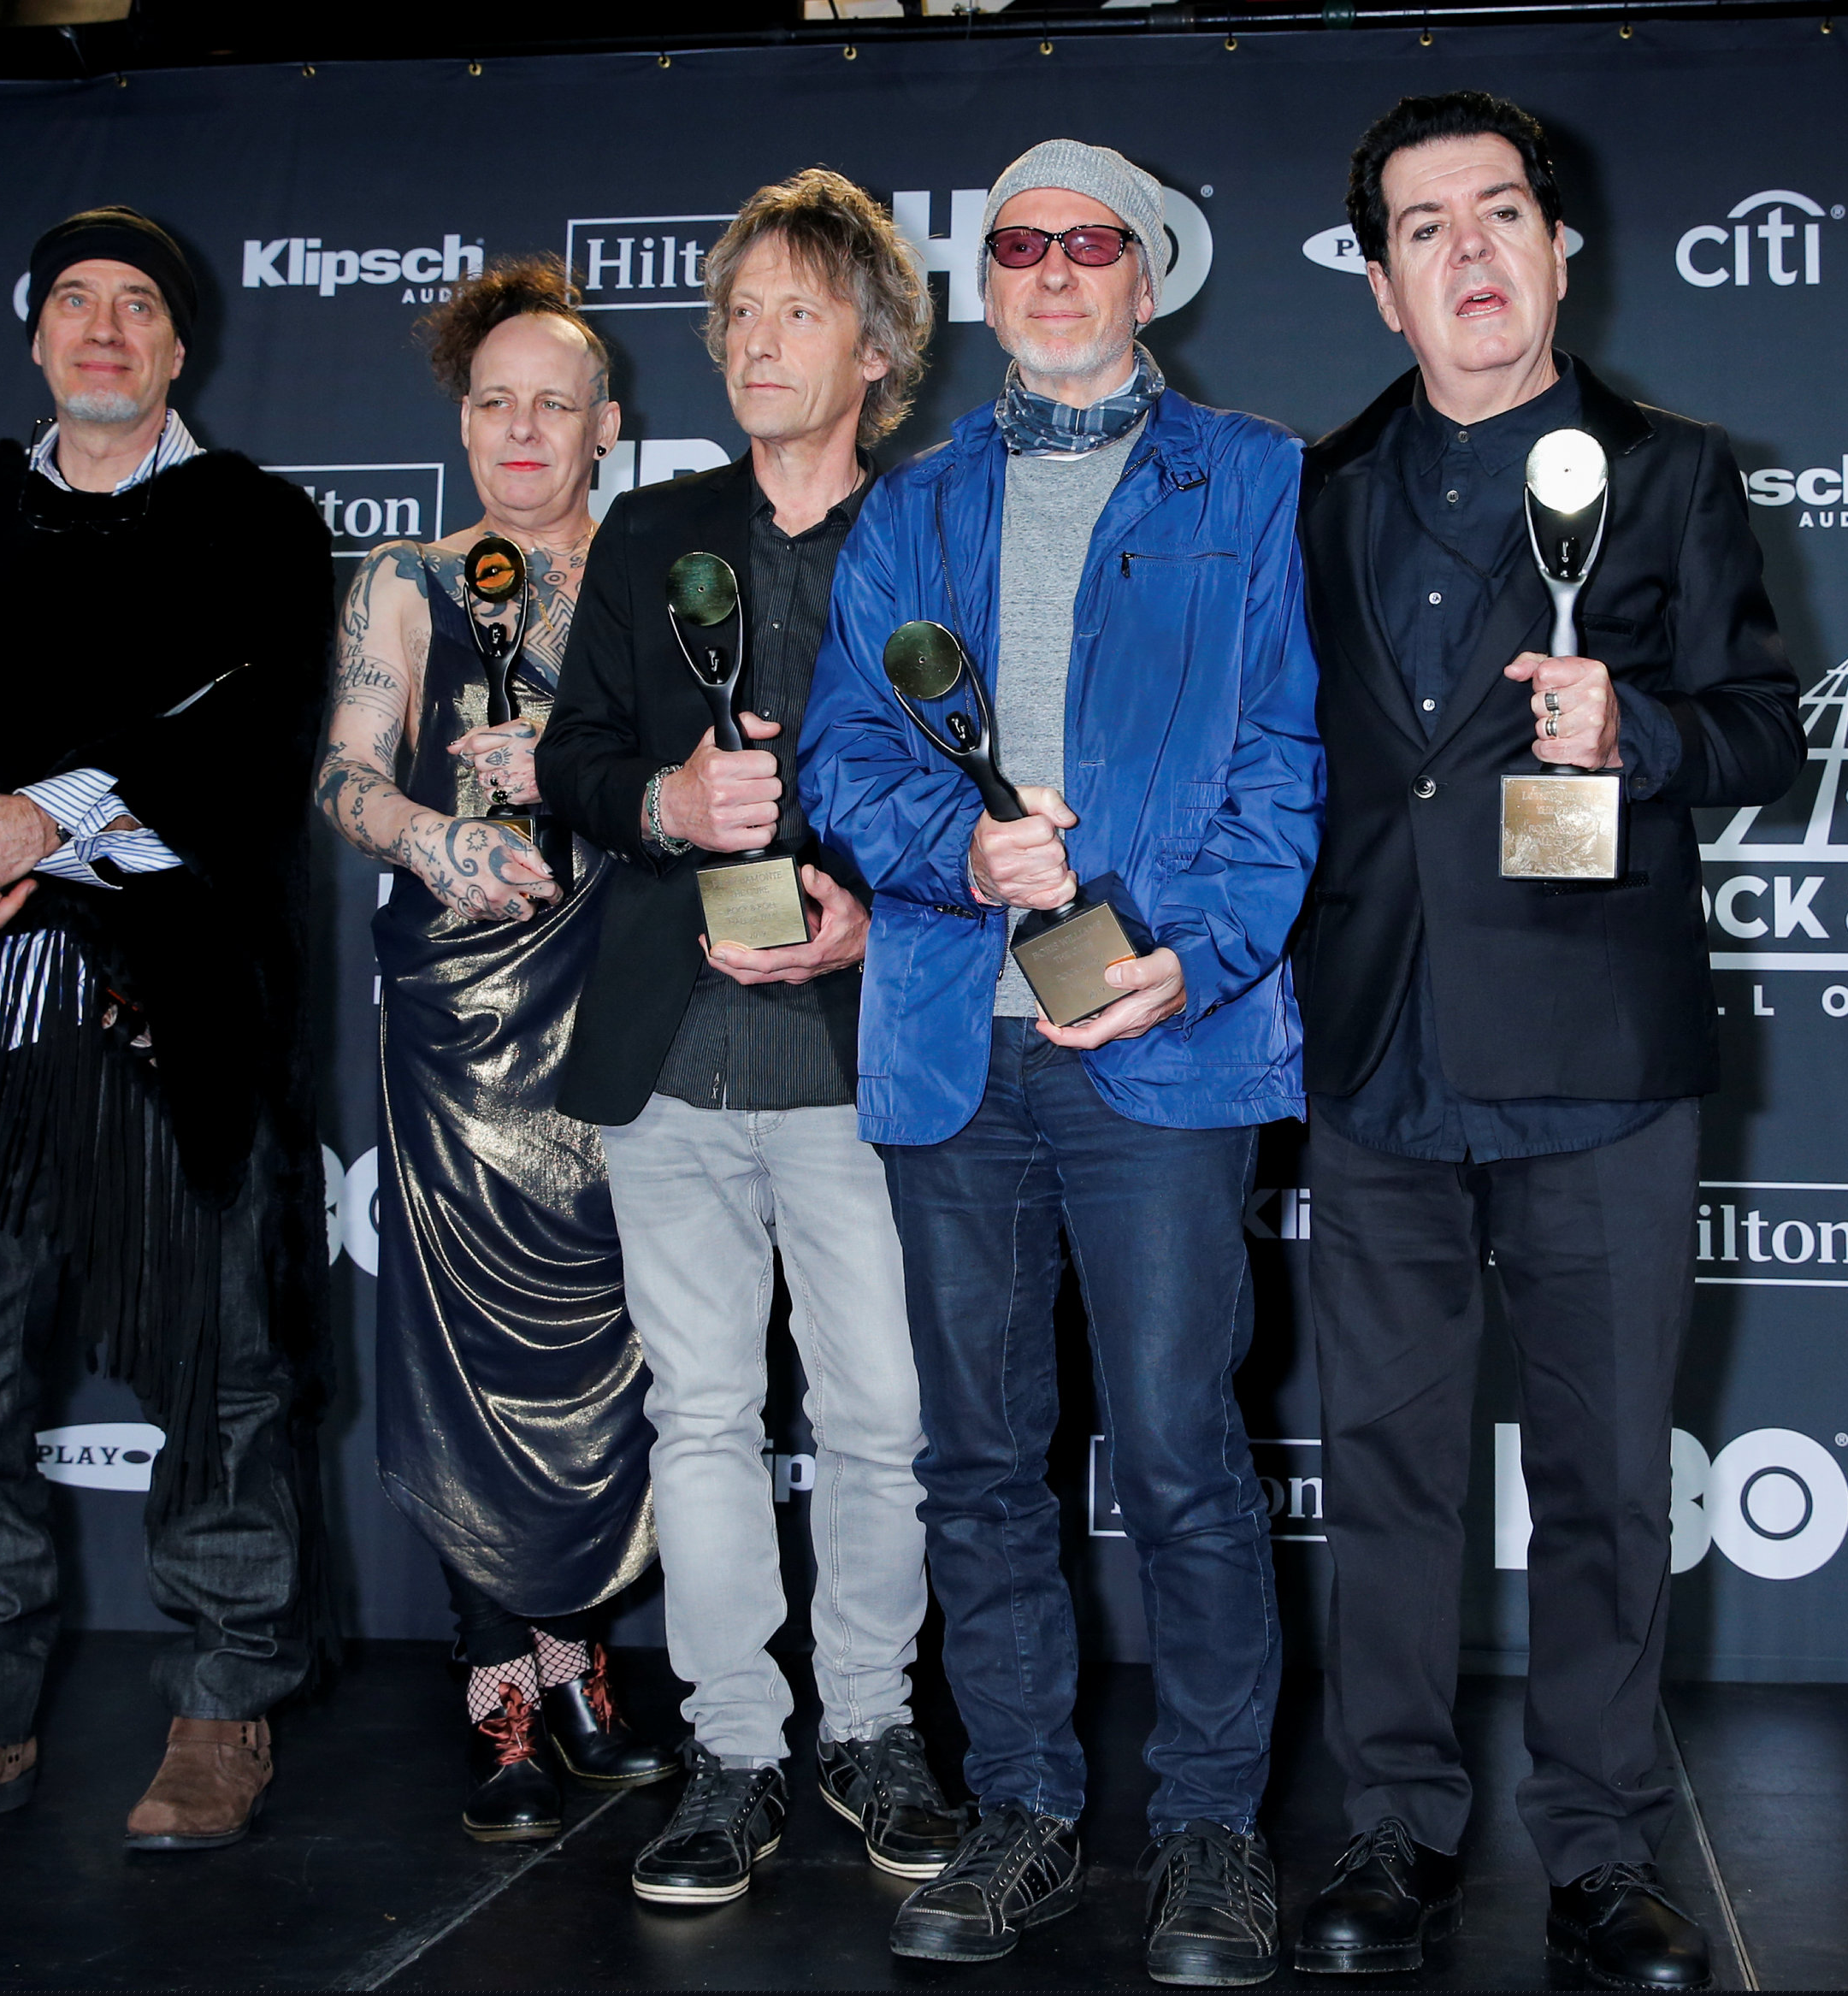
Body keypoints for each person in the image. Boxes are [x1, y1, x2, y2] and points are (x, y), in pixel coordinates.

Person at [1287, 93, 1804, 1991]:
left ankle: (1598, 1851)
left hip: (1593, 1049)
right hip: (1376, 1046)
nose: (1473, 253)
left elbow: (1769, 734)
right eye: (1425, 228)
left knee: (1601, 1477)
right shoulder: (1317, 488)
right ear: (1378, 284)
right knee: (1392, 1470)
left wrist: (1637, 734)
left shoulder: (1668, 474)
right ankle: (1399, 1829)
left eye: (1501, 212)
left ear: (1559, 247)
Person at [798, 140, 1323, 1987]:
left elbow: (1285, 767)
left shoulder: (1253, 480)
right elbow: (846, 761)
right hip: (957, 1044)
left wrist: (1195, 951)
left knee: (1183, 1453)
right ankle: (1023, 1810)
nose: (1049, 273)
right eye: (1017, 247)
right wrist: (956, 855)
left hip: (1161, 1047)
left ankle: (1207, 1838)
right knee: (979, 1464)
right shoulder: (911, 502)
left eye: (1086, 245)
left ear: (1147, 273)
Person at [0, 206, 335, 1852]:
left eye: (139, 306)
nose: (104, 329)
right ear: (36, 336)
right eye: (75, 302)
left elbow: (240, 747)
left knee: (226, 1382)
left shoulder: (255, 520)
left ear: (181, 348)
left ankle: (223, 1710)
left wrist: (34, 821)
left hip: (161, 1030)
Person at [534, 169, 960, 1908]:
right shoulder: (650, 535)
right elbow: (573, 769)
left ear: (874, 346)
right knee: (702, 1422)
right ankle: (734, 1750)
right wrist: (663, 795)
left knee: (878, 1421)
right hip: (665, 1054)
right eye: (732, 315)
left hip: (863, 1056)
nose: (751, 341)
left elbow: (972, 782)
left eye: (790, 310)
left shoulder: (933, 534)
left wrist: (873, 907)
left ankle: (869, 1729)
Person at [313, 257, 674, 1845]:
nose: (523, 430)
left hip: (634, 994)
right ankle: (504, 1688)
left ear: (609, 426)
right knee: (472, 1356)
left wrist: (590, 762)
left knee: (625, 1343)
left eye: (555, 403)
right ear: (463, 420)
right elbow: (344, 775)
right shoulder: (402, 575)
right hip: (460, 1013)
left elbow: (726, 762)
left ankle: (581, 1653)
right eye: (494, 402)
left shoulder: (664, 570)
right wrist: (431, 840)